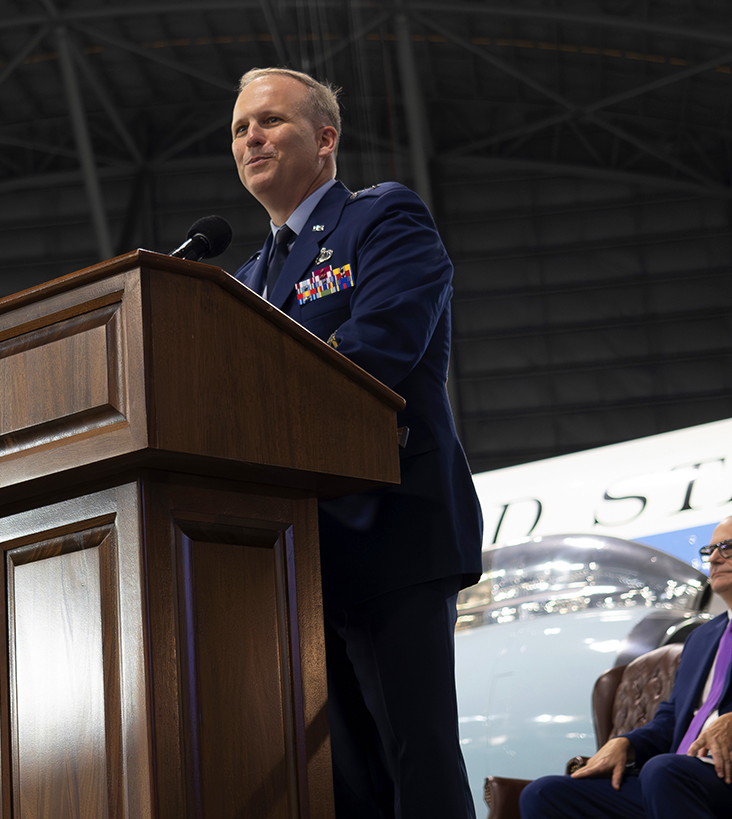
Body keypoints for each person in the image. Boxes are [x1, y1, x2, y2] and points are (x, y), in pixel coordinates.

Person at [229, 67, 483, 819]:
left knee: (418, 759)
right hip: (300, 555)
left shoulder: (382, 218)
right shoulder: (244, 278)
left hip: (390, 526)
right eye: (241, 129)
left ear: (326, 138)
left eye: (270, 121)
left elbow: (378, 348)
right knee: (342, 782)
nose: (252, 138)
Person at [520, 518, 732, 819]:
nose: (714, 557)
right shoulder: (702, 638)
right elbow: (672, 718)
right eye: (710, 549)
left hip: (713, 775)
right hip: (673, 777)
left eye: (727, 547)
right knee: (545, 794)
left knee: (663, 770)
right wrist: (625, 742)